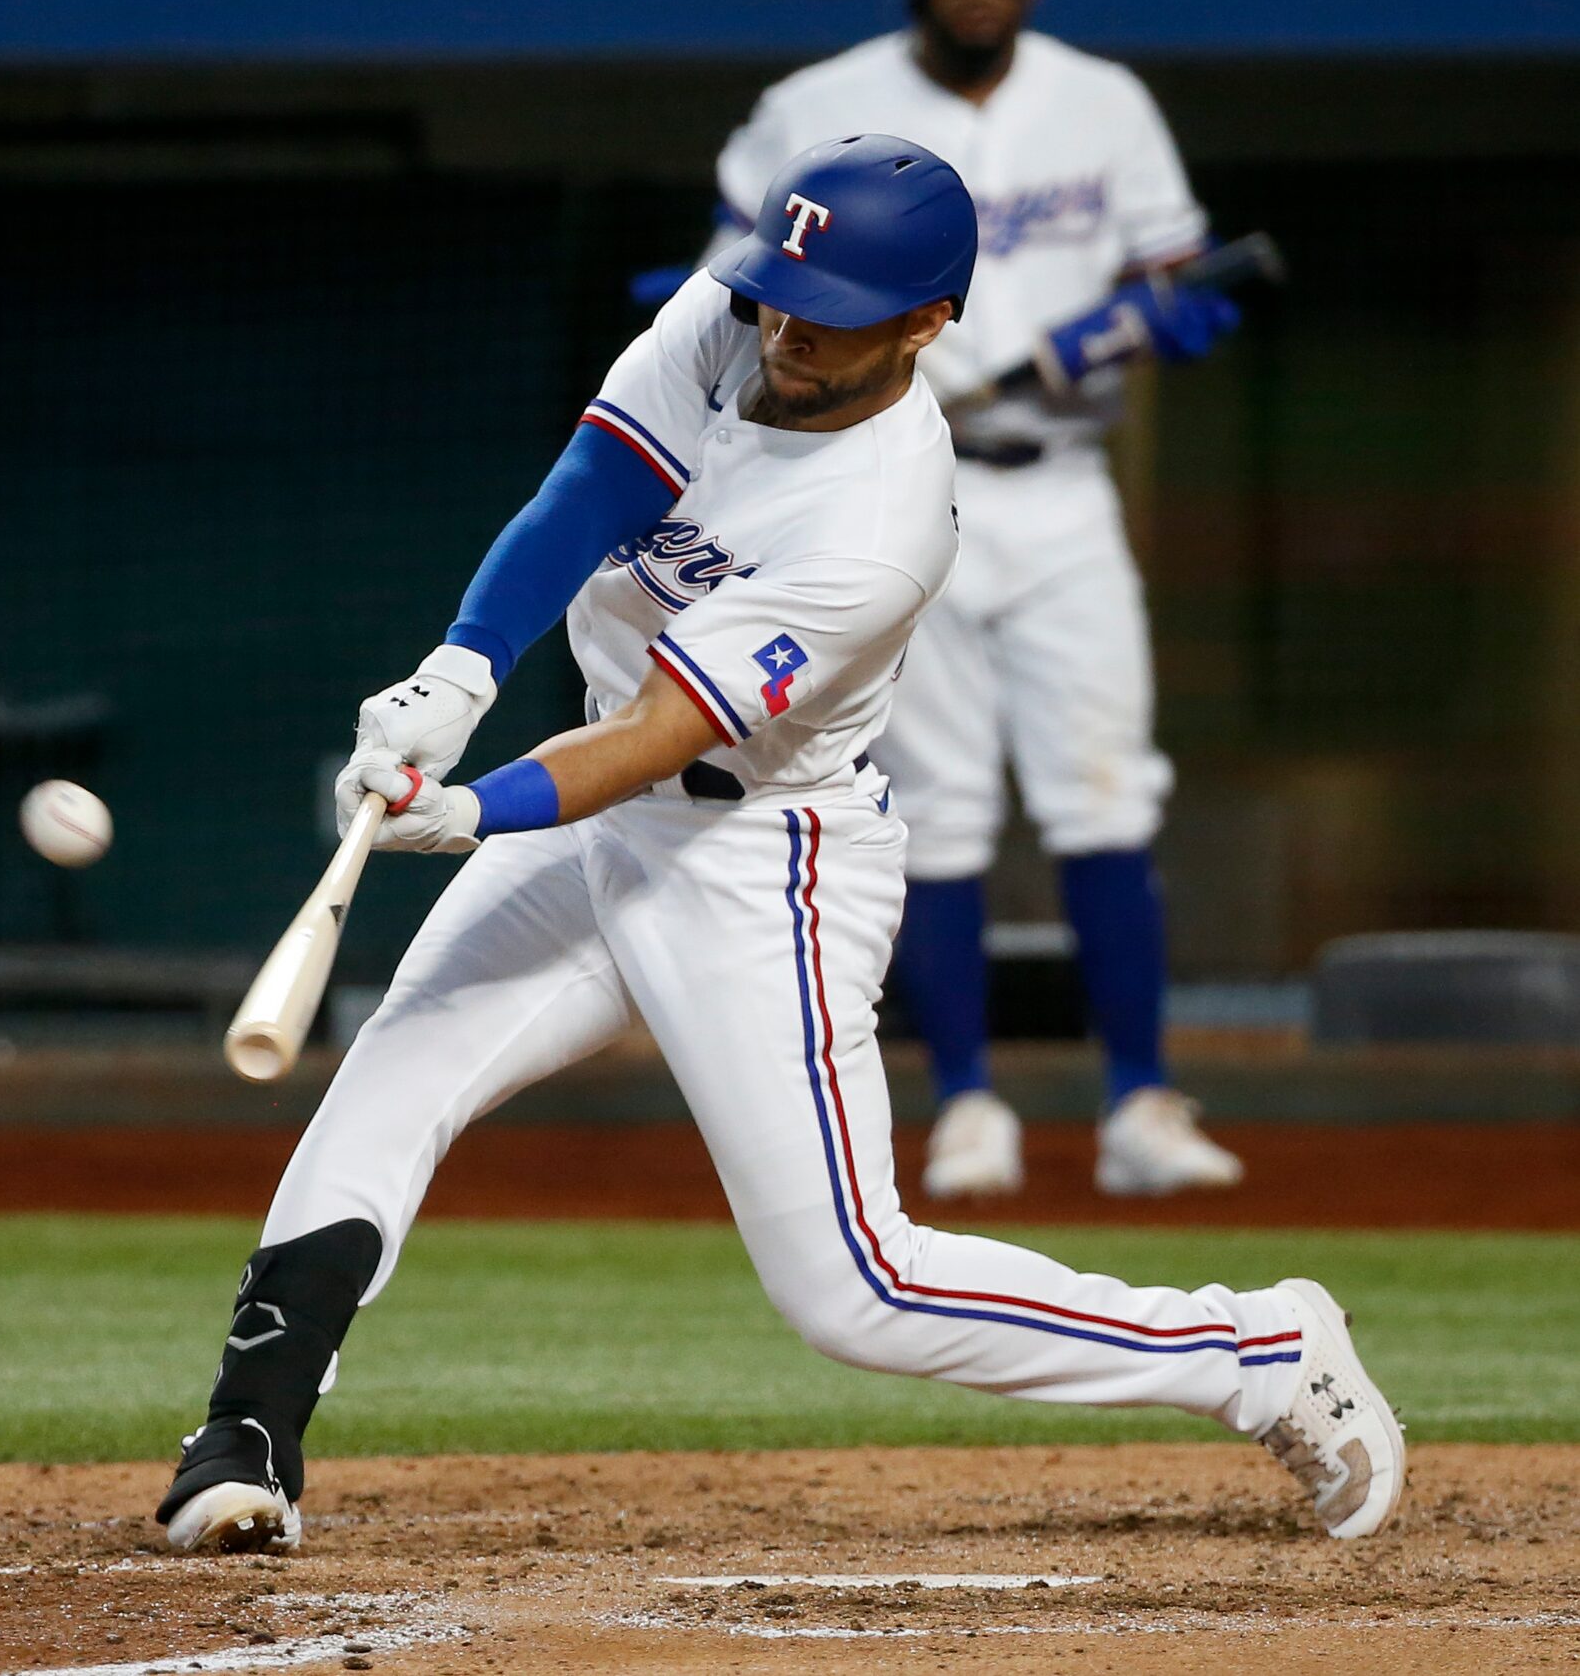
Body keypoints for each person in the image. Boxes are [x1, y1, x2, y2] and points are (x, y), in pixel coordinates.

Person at [155, 137, 1403, 1556]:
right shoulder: (735, 309)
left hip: (763, 858)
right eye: (782, 291)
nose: (792, 326)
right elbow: (586, 490)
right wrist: (459, 668)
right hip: (595, 806)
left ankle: (1255, 1351)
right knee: (397, 1064)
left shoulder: (878, 523)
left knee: (853, 1290)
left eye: (838, 306)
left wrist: (472, 807)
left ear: (928, 320)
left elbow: (660, 730)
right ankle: (244, 1435)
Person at [713, 0, 1247, 1201]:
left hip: (1061, 481)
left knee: (1105, 790)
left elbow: (1168, 267)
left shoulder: (1100, 101)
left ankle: (1138, 1100)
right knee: (939, 810)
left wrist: (1147, 314)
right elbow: (727, 277)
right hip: (896, 485)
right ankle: (964, 1102)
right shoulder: (817, 106)